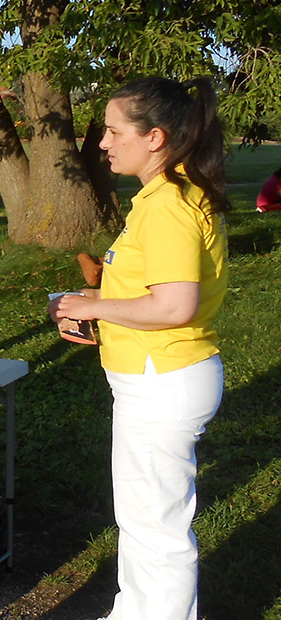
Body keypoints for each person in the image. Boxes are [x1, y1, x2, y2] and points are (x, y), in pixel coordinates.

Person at [51, 77, 230, 620]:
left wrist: (95, 308)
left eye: (113, 131)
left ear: (154, 137)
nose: (103, 142)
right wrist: (94, 299)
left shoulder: (168, 203)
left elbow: (174, 305)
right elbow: (155, 290)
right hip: (160, 374)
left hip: (162, 378)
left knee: (156, 526)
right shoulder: (167, 194)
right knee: (143, 517)